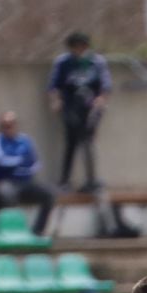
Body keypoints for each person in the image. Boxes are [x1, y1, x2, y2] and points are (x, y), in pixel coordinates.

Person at [48, 31, 113, 190]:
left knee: (88, 141)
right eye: (75, 47)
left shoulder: (96, 62)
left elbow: (106, 85)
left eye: (81, 47)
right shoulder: (63, 63)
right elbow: (53, 85)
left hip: (91, 107)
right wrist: (56, 101)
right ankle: (65, 180)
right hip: (71, 105)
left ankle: (91, 180)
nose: (78, 50)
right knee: (71, 141)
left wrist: (101, 99)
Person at [0, 112, 56, 235]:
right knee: (6, 194)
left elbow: (35, 163)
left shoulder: (25, 140)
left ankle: (37, 231)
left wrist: (20, 166)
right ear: (0, 127)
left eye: (11, 125)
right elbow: (1, 161)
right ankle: (14, 232)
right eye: (5, 125)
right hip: (5, 181)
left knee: (49, 193)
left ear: (16, 125)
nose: (9, 128)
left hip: (25, 182)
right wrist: (20, 162)